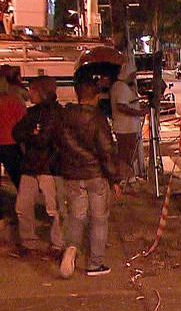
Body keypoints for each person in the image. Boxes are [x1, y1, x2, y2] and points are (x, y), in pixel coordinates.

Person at [58, 75, 123, 277]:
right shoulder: (97, 118)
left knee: (77, 216)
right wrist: (115, 180)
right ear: (94, 97)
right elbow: (106, 150)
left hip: (72, 175)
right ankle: (95, 264)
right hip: (95, 175)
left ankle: (71, 248)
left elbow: (57, 144)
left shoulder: (64, 116)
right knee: (99, 219)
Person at [12, 76, 63, 256]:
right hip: (32, 165)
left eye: (32, 89)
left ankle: (58, 244)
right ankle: (28, 243)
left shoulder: (55, 112)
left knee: (53, 209)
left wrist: (32, 135)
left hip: (48, 166)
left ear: (41, 91)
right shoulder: (33, 112)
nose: (29, 93)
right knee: (23, 206)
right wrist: (33, 134)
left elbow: (44, 139)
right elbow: (16, 132)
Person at [109, 59, 147, 187]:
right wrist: (139, 113)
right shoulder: (120, 87)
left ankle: (129, 176)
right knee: (126, 154)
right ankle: (125, 177)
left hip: (128, 127)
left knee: (130, 153)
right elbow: (122, 106)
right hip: (125, 128)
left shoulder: (122, 86)